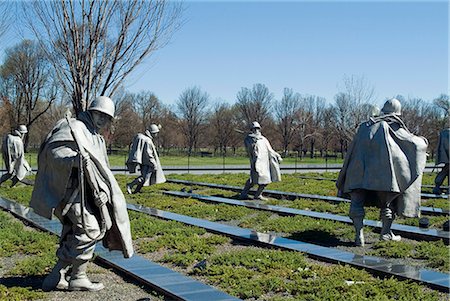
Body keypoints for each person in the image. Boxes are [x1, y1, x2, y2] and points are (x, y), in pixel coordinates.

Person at [30, 96, 133, 292]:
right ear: (91, 111)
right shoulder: (73, 127)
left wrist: (103, 193)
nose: (102, 120)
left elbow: (101, 171)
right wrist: (74, 160)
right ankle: (78, 277)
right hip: (71, 193)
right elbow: (53, 153)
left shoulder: (97, 137)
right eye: (99, 114)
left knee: (77, 233)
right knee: (89, 230)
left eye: (106, 117)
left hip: (89, 194)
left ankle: (57, 274)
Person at [336, 98, 428, 246]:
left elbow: (352, 149)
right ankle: (385, 233)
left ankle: (359, 235)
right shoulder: (393, 126)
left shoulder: (365, 126)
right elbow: (412, 142)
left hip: (357, 170)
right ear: (397, 113)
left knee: (357, 202)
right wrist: (423, 142)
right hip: (383, 175)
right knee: (388, 203)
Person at [239, 121, 282, 201]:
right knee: (253, 180)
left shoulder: (264, 139)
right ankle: (243, 193)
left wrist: (277, 155)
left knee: (266, 180)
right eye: (255, 129)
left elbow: (270, 150)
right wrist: (253, 143)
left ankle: (258, 194)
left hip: (264, 163)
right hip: (256, 162)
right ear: (252, 129)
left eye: (258, 128)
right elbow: (249, 150)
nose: (256, 130)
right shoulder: (249, 139)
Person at [126, 124, 166, 194]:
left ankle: (137, 190)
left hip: (145, 162)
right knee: (144, 178)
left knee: (145, 178)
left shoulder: (147, 139)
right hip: (148, 163)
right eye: (156, 133)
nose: (156, 135)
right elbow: (149, 154)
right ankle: (130, 185)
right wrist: (154, 164)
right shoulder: (148, 141)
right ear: (153, 133)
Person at [432, 128, 449, 195]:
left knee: (445, 170)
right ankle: (437, 187)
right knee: (446, 170)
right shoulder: (446, 133)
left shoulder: (444, 132)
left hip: (445, 154)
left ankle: (437, 187)